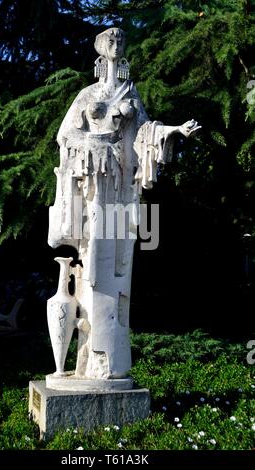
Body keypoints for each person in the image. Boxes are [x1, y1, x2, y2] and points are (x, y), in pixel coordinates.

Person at [48, 28, 200, 381]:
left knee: (121, 266)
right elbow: (65, 135)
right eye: (110, 41)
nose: (116, 44)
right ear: (100, 50)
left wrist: (174, 130)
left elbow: (146, 130)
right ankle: (94, 359)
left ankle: (112, 361)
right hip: (96, 188)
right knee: (96, 267)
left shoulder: (131, 91)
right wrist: (97, 141)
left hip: (122, 188)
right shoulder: (88, 94)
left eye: (120, 41)